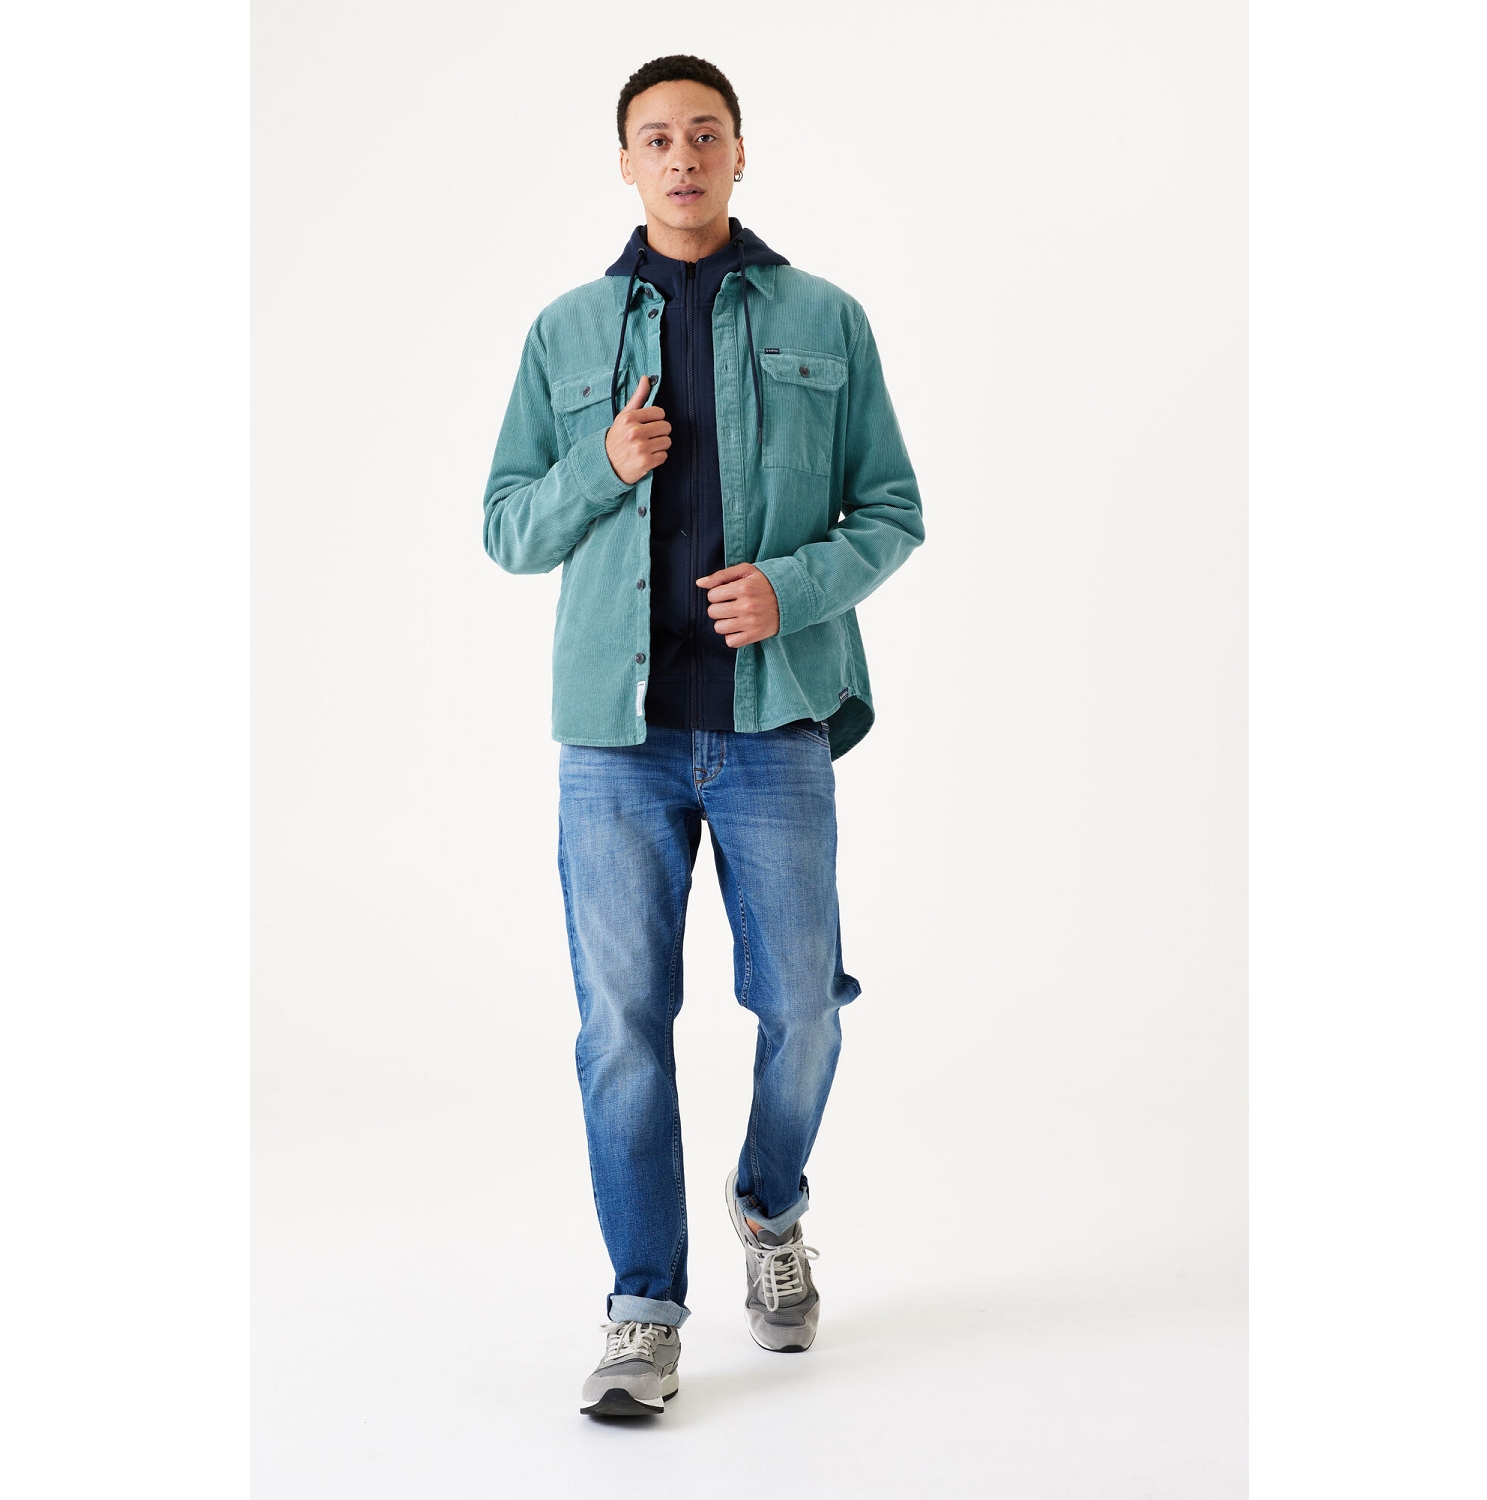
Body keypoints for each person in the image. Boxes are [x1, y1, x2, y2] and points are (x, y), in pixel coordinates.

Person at [482, 54, 924, 1417]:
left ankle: (770, 1206)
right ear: (625, 162)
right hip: (615, 744)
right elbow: (507, 529)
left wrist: (793, 587)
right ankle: (642, 1310)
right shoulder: (565, 332)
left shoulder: (825, 317)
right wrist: (599, 466)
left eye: (705, 135)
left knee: (802, 1006)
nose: (682, 157)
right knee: (622, 1025)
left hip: (773, 721)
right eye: (657, 138)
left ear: (740, 153)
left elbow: (892, 510)